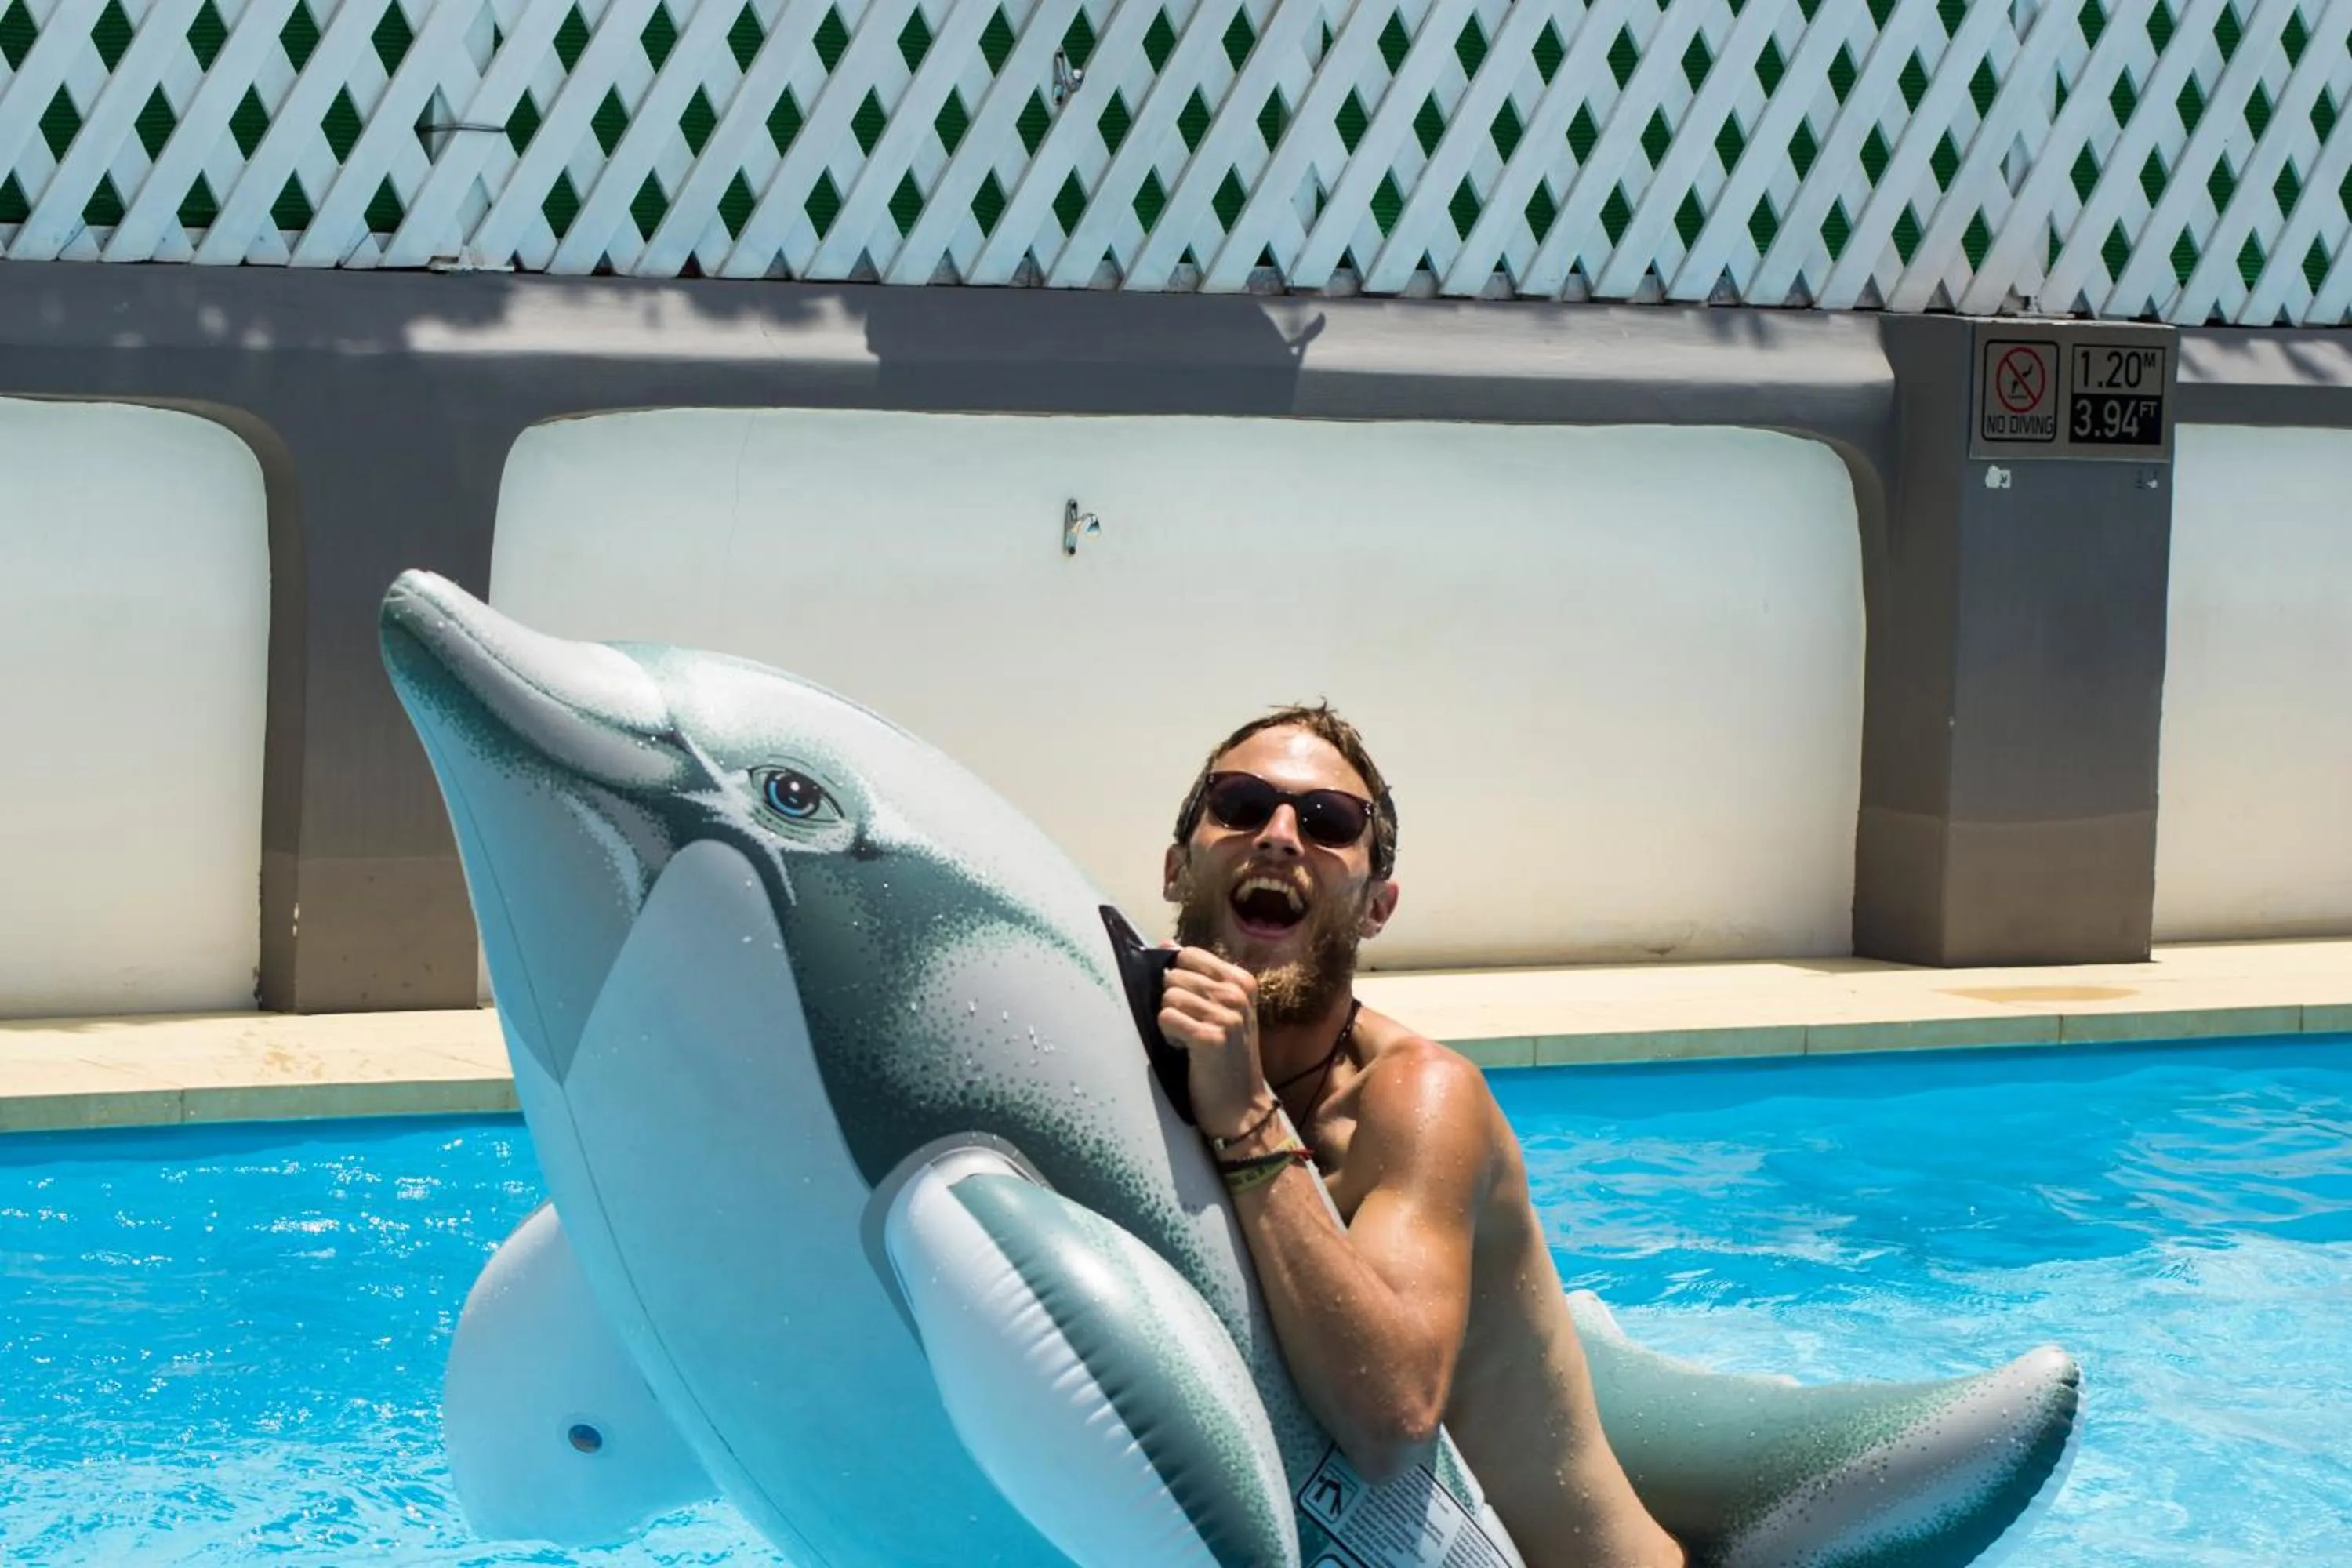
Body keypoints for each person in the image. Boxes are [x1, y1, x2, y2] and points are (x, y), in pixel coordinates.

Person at [1156, 705, 1684, 1568]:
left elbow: (1393, 1419)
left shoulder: (1418, 1097)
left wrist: (1246, 1114)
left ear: (1377, 906)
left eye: (1329, 821)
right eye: (1242, 803)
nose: (1281, 835)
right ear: (1179, 866)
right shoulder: (1135, 1052)